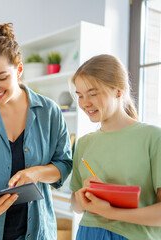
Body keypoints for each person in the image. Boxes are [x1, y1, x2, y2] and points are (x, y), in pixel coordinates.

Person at [0, 23, 73, 240]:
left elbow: (64, 164)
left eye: (1, 78)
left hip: (36, 231)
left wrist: (35, 173)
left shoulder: (49, 112)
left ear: (18, 70)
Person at [70, 54, 161, 240]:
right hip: (88, 233)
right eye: (80, 96)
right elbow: (76, 205)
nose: (85, 103)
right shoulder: (84, 143)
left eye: (93, 94)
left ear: (118, 91)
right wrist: (81, 198)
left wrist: (111, 212)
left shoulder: (153, 137)